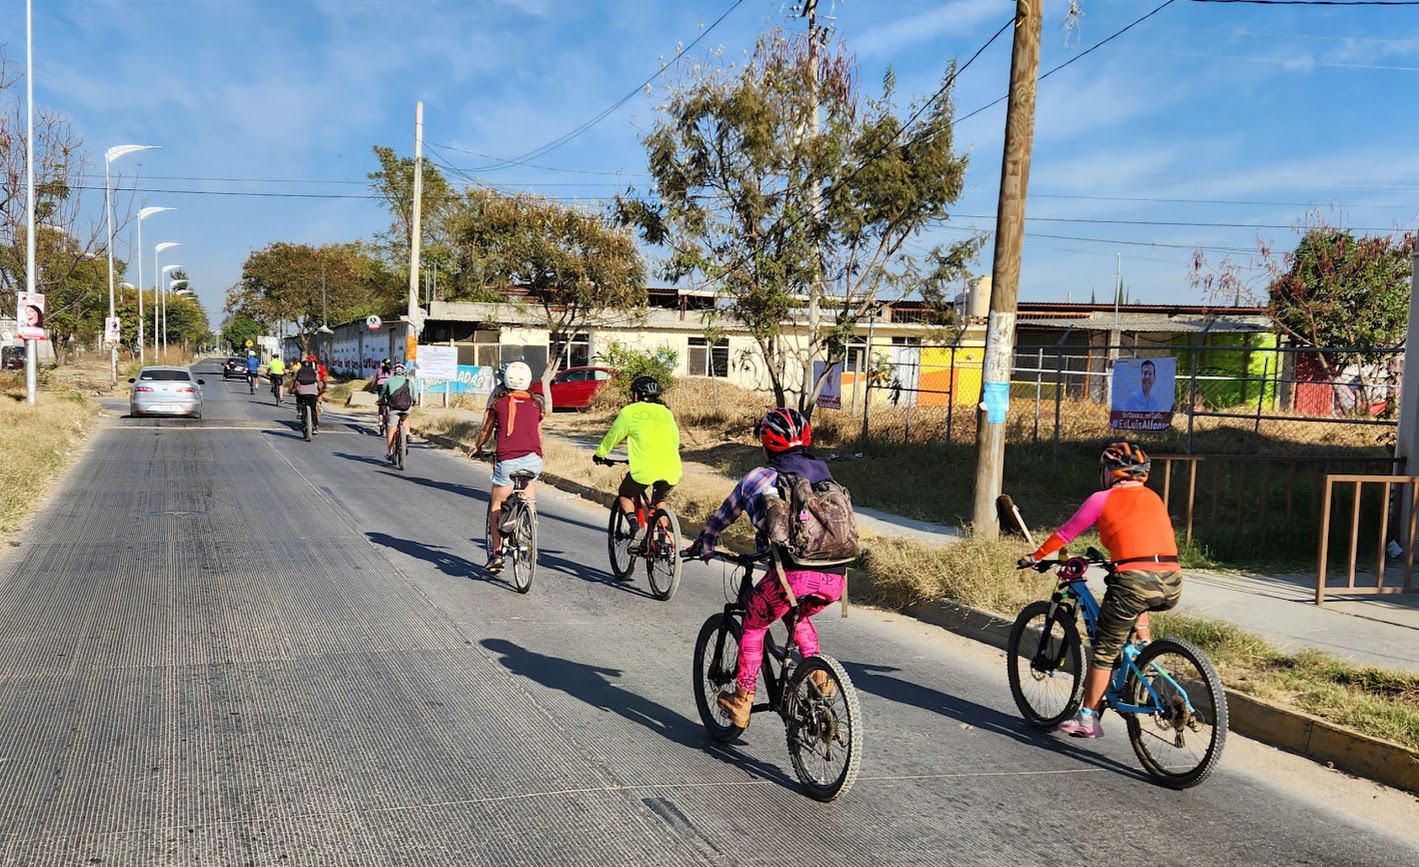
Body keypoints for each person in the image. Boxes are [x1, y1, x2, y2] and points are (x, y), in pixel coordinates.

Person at [685, 408, 847, 728]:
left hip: (793, 576)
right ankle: (820, 676)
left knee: (755, 621)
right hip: (836, 577)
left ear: (766, 444)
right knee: (793, 612)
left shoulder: (756, 479)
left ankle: (743, 699)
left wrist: (704, 543)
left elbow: (721, 518)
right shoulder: (825, 476)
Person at [1018, 441, 1182, 739]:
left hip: (1133, 579)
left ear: (1109, 472)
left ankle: (1087, 718)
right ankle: (1144, 651)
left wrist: (1035, 557)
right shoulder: (1154, 498)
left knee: (1104, 652)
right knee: (1136, 597)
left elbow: (1065, 533)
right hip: (1171, 580)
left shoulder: (1101, 498)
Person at [591, 375, 683, 550]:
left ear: (637, 395)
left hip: (644, 469)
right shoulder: (666, 412)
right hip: (672, 468)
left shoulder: (630, 412)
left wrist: (600, 454)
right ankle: (662, 541)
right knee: (660, 499)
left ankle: (636, 528)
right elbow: (675, 440)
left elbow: (613, 436)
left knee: (625, 494)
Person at [470, 361, 545, 573]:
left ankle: (496, 553)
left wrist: (478, 447)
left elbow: (485, 430)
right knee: (527, 492)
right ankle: (530, 531)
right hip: (534, 459)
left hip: (508, 460)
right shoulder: (537, 402)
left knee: (497, 502)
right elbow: (538, 434)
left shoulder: (499, 402)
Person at [378, 361, 416, 462]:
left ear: (394, 372)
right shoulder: (409, 382)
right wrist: (414, 402)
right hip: (406, 407)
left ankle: (390, 452)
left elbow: (382, 394)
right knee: (405, 418)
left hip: (393, 408)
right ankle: (407, 433)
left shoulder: (388, 381)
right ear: (404, 372)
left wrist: (380, 401)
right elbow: (413, 396)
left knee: (391, 431)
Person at [291, 352, 326, 433]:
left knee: (299, 397)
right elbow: (319, 382)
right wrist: (320, 390)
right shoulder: (315, 372)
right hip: (313, 393)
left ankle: (300, 410)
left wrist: (293, 389)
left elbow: (294, 381)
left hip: (302, 391)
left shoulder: (299, 371)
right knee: (313, 409)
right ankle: (315, 426)